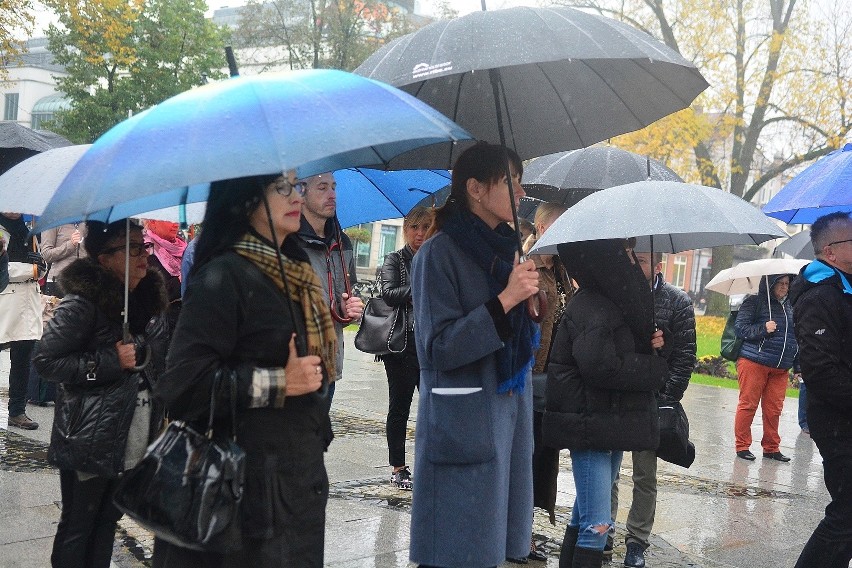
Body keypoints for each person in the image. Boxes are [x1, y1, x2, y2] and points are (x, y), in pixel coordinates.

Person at [152, 172, 333, 567]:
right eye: (281, 187)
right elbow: (182, 387)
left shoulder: (296, 272)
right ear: (246, 199)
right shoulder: (223, 276)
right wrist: (279, 382)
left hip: (296, 482)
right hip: (242, 495)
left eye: (298, 186)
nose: (296, 196)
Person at [409, 141, 540, 567]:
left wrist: (531, 304)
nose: (521, 194)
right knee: (456, 549)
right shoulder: (438, 254)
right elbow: (436, 348)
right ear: (476, 189)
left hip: (505, 420)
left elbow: (517, 338)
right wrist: (504, 302)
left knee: (490, 549)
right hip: (462, 422)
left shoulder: (506, 251)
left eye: (520, 182)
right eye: (509, 182)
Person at [33, 219, 169, 568]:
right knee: (79, 524)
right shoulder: (81, 304)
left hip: (131, 433)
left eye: (145, 247)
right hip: (88, 435)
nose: (143, 256)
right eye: (133, 248)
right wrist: (109, 360)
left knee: (108, 520)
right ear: (105, 257)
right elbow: (47, 361)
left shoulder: (146, 304)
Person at [543, 239, 667, 568]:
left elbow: (618, 356)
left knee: (584, 517)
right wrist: (653, 368)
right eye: (628, 256)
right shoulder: (593, 305)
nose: (633, 264)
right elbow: (600, 367)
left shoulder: (616, 303)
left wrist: (651, 345)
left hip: (606, 423)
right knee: (597, 525)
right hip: (591, 424)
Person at [611, 250, 697, 568]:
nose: (634, 264)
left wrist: (667, 398)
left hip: (651, 399)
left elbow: (685, 356)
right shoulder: (614, 293)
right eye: (632, 258)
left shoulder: (677, 301)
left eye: (643, 260)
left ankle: (636, 540)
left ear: (658, 266)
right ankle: (603, 530)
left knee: (644, 476)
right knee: (608, 470)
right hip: (618, 395)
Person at [790, 211, 852, 568]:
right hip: (838, 424)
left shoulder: (845, 289)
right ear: (830, 251)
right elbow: (821, 371)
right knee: (845, 515)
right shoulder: (820, 296)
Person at [514, 201, 570, 564]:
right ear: (544, 229)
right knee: (525, 458)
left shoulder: (563, 270)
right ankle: (518, 534)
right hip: (527, 375)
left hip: (554, 380)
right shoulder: (525, 264)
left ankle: (524, 528)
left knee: (542, 459)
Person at [293, 172, 364, 404]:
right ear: (301, 194)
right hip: (298, 363)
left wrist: (351, 308)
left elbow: (348, 291)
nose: (332, 194)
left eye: (334, 187)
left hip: (331, 362)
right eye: (322, 188)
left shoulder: (343, 242)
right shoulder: (289, 241)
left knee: (318, 438)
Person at [378, 206, 433, 491]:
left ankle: (430, 462)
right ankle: (398, 467)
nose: (420, 234)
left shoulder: (435, 258)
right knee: (399, 407)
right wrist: (422, 286)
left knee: (433, 407)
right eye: (414, 228)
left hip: (429, 343)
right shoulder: (395, 259)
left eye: (425, 227)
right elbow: (389, 293)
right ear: (406, 229)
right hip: (401, 344)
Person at [733, 273, 799, 462]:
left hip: (781, 367)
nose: (784, 287)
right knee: (748, 405)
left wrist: (797, 364)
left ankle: (771, 447)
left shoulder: (790, 306)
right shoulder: (754, 302)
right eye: (780, 283)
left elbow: (795, 337)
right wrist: (763, 328)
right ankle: (742, 445)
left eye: (787, 284)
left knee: (774, 409)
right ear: (770, 284)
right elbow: (740, 328)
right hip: (754, 361)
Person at [0, 212, 47, 430]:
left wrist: (41, 265)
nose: (13, 210)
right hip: (5, 300)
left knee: (22, 360)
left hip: (29, 299)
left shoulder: (29, 231)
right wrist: (32, 269)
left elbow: (39, 266)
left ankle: (17, 411)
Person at [143, 219, 187, 333]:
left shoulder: (183, 247)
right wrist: (184, 278)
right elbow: (159, 292)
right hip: (163, 326)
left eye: (177, 219)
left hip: (186, 319)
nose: (176, 223)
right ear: (152, 222)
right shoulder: (146, 251)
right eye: (169, 220)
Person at [40, 222, 87, 297]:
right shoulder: (53, 223)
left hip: (83, 282)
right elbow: (46, 255)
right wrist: (70, 244)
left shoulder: (86, 224)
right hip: (59, 282)